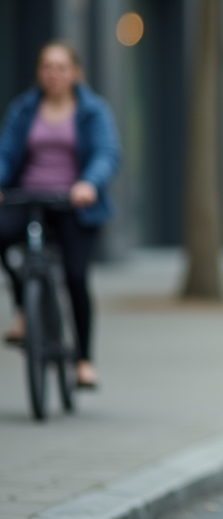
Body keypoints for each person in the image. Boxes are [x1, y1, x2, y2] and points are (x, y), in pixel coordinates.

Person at [0, 41, 121, 390]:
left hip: (74, 203)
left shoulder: (92, 111)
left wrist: (89, 183)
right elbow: (6, 154)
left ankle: (84, 360)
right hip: (27, 198)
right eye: (46, 67)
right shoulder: (24, 109)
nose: (52, 74)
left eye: (60, 67)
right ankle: (25, 309)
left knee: (75, 276)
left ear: (75, 73)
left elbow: (106, 153)